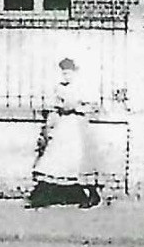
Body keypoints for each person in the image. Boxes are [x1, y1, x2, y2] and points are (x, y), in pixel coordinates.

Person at [28, 58, 100, 209]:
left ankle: (92, 194)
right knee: (55, 157)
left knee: (79, 161)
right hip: (63, 125)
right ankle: (44, 196)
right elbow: (55, 105)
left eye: (69, 73)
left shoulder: (82, 87)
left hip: (77, 126)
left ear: (75, 73)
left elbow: (91, 107)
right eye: (64, 73)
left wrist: (76, 107)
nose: (66, 76)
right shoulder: (60, 88)